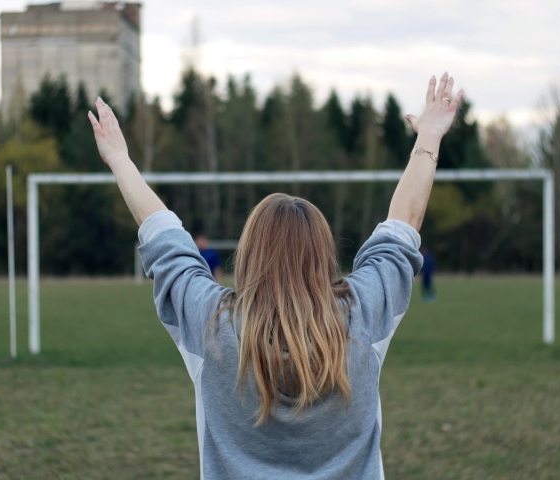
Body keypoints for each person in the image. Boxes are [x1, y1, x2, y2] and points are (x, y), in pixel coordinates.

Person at [89, 72, 462, 479]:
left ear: (249, 254)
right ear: (323, 256)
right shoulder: (362, 316)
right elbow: (404, 223)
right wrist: (428, 138)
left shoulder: (212, 324)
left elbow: (165, 238)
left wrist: (121, 161)